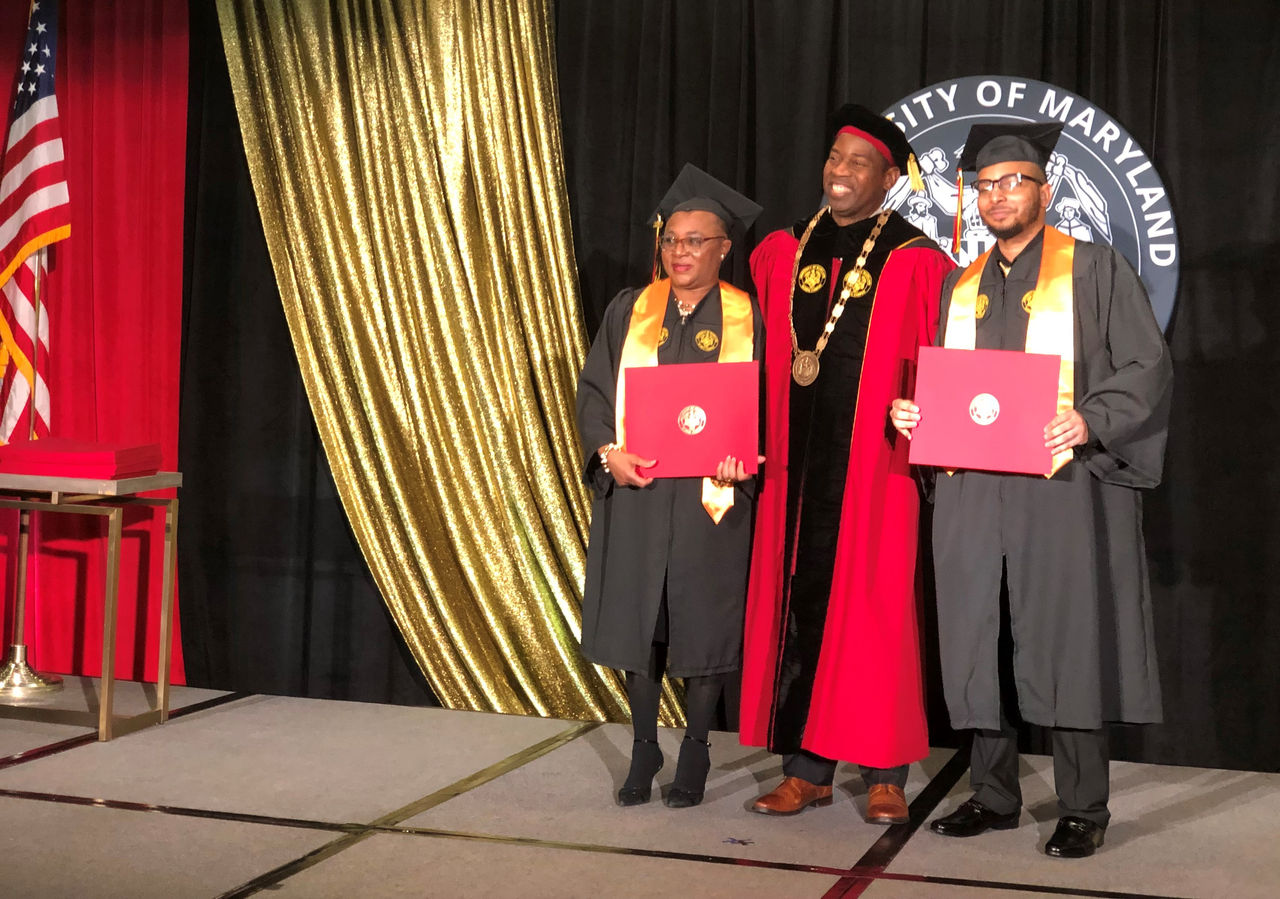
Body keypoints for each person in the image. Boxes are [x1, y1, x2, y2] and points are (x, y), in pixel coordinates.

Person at [890, 122, 1172, 858]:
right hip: (975, 493)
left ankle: (1083, 804)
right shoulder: (963, 283)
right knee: (981, 632)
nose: (999, 195)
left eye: (1014, 182)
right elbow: (957, 394)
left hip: (1059, 488)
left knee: (1064, 636)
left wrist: (1090, 417)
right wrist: (916, 413)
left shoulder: (1094, 270)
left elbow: (1146, 365)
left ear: (1045, 191)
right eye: (986, 185)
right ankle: (993, 792)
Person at [740, 104, 954, 824]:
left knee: (877, 608)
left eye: (858, 162)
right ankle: (808, 768)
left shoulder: (913, 257)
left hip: (877, 471)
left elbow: (940, 363)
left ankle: (886, 770)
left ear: (890, 178)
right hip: (796, 476)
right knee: (803, 607)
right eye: (834, 157)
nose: (839, 171)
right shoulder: (783, 251)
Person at [576, 164, 764, 809]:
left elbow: (764, 409)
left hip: (713, 499)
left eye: (695, 241)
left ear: (722, 249)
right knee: (640, 621)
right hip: (642, 490)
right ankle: (644, 746)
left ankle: (697, 748)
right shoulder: (630, 310)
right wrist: (607, 454)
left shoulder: (748, 317)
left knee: (703, 623)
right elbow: (595, 391)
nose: (680, 252)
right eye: (671, 240)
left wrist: (746, 457)